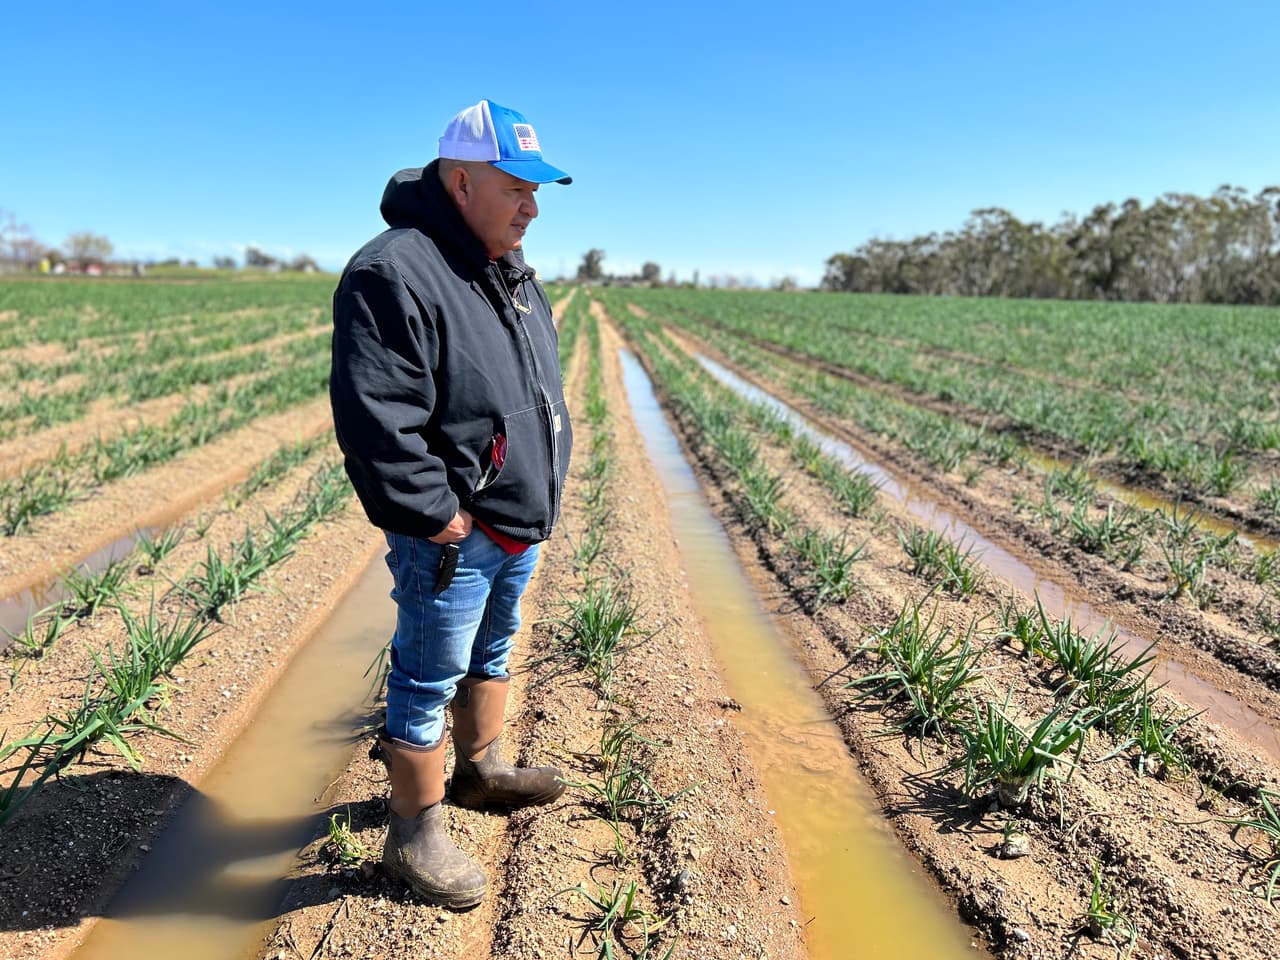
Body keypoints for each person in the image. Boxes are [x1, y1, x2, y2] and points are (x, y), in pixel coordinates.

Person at [329, 99, 574, 909]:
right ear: (462, 180)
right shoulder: (395, 270)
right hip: (454, 532)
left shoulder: (506, 268)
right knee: (426, 674)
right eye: (519, 188)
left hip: (515, 520)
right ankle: (414, 834)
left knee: (491, 653)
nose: (533, 207)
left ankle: (481, 770)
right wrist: (437, 513)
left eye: (539, 192)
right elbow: (376, 417)